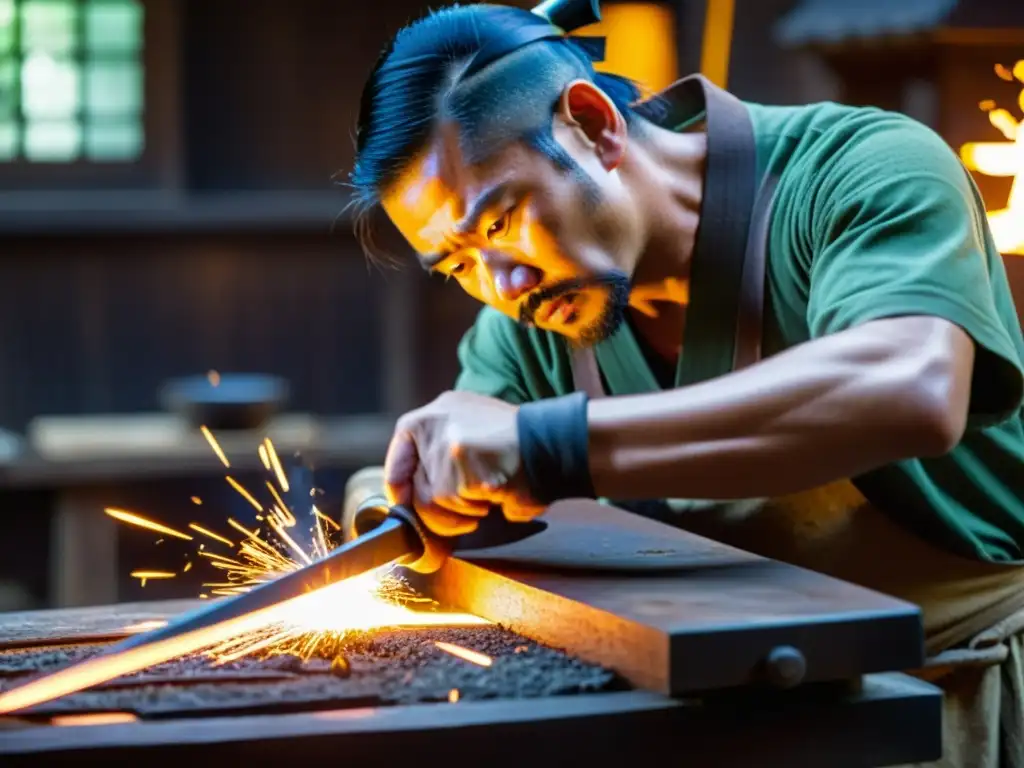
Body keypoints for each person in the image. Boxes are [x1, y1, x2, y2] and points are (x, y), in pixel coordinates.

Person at [345, 2, 1024, 764]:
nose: (502, 285)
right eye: (459, 265)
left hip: (955, 708)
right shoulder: (533, 318)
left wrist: (551, 448)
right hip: (725, 724)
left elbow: (910, 387)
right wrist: (401, 496)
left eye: (500, 223)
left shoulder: (858, 170)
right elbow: (471, 467)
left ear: (595, 125)